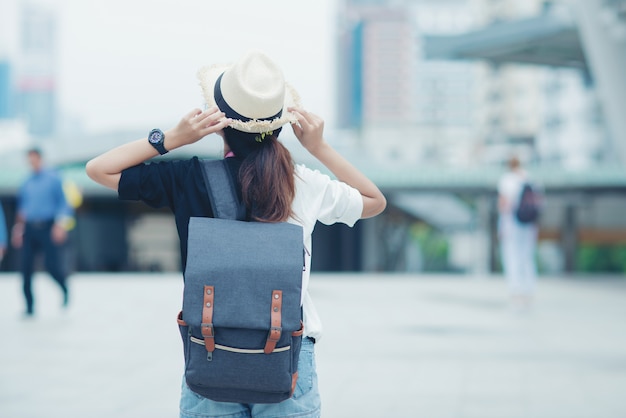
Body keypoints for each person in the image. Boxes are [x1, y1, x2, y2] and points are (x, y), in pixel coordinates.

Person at [86, 50, 386, 418]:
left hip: (212, 350)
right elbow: (375, 201)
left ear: (220, 124)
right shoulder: (302, 182)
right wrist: (318, 147)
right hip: (287, 356)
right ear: (278, 125)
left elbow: (99, 170)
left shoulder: (188, 178)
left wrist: (172, 138)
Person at [12, 147, 72, 317]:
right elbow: (22, 209)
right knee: (25, 269)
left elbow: (64, 203)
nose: (32, 163)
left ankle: (64, 288)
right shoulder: (26, 182)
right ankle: (29, 307)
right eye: (29, 160)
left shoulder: (54, 178)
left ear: (40, 159)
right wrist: (18, 230)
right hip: (30, 229)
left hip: (48, 227)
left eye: (34, 159)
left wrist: (60, 226)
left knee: (51, 266)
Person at [497, 155, 539, 311]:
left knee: (511, 256)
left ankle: (515, 291)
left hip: (511, 224)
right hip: (529, 225)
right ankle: (529, 290)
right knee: (527, 257)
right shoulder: (531, 179)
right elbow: (539, 203)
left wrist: (501, 226)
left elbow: (504, 204)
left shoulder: (507, 180)